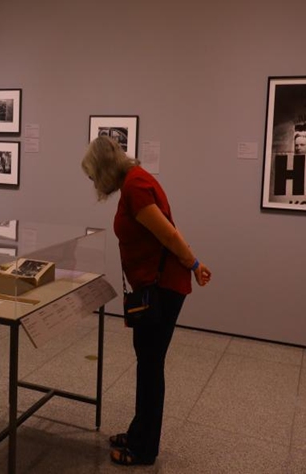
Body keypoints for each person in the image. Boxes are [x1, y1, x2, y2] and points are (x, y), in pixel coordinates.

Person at [81, 136, 211, 466]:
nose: (95, 183)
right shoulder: (135, 181)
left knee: (151, 366)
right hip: (157, 286)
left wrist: (195, 264)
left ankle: (144, 449)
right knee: (147, 362)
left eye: (94, 175)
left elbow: (167, 233)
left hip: (163, 288)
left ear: (106, 168)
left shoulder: (136, 186)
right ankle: (139, 432)